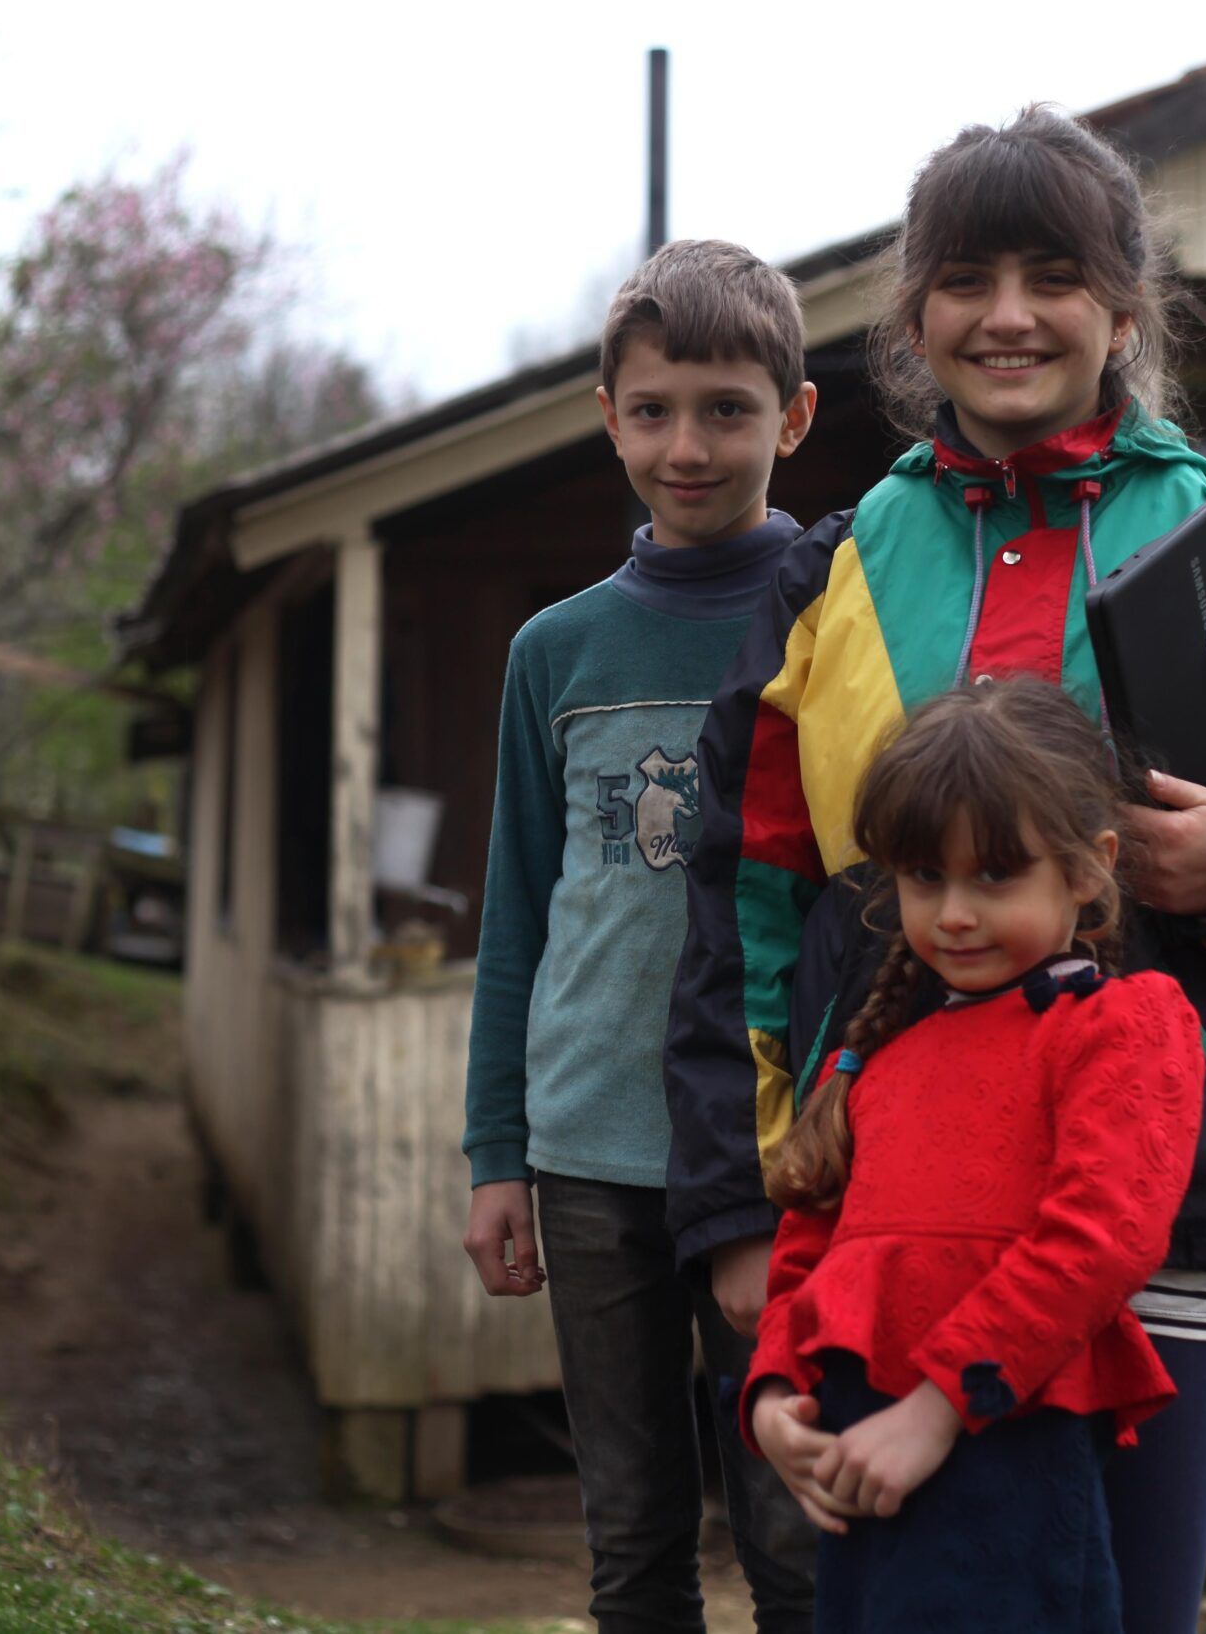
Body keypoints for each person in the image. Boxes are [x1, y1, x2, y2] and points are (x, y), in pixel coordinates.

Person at [665, 105, 1206, 1633]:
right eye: (966, 279)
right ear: (915, 319)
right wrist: (740, 1210)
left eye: (1054, 275)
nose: (1010, 314)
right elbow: (743, 901)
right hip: (887, 1214)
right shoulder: (826, 571)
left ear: (1124, 306)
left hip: (1152, 1222)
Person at [462, 238, 823, 1634]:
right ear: (608, 416)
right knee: (633, 1542)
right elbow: (519, 917)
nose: (690, 443)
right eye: (656, 407)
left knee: (796, 1536)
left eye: (729, 407)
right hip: (593, 1149)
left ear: (791, 419)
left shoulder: (833, 622)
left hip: (782, 1146)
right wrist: (499, 1152)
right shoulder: (556, 652)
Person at [741, 678, 1202, 1632]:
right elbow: (805, 1253)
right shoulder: (872, 1060)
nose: (952, 912)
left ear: (1089, 868)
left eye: (994, 874)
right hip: (859, 1461)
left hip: (1010, 1451)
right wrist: (775, 1391)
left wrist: (937, 1407)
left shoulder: (1121, 1024)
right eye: (923, 877)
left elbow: (1100, 1240)